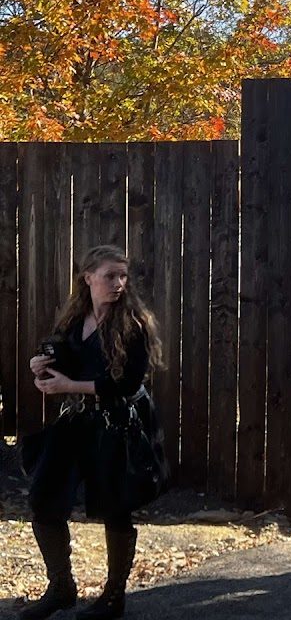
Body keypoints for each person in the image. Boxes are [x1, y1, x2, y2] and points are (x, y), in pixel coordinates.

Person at [21, 245, 166, 620]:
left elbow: (129, 383)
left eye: (122, 276)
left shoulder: (133, 324)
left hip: (118, 423)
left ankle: (114, 597)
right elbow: (61, 359)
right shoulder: (75, 319)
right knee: (43, 498)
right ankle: (61, 588)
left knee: (114, 508)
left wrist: (71, 385)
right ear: (88, 278)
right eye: (109, 276)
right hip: (78, 421)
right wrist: (41, 366)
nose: (118, 283)